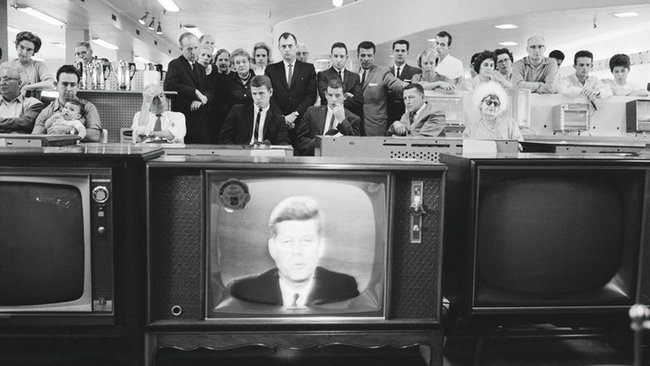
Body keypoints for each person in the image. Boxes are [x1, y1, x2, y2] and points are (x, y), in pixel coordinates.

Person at [228, 196, 360, 307]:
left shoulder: (344, 287)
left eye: (306, 241)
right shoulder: (242, 289)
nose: (296, 251)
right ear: (272, 248)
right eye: (287, 241)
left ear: (320, 247)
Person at [265, 32, 317, 148]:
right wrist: (282, 118)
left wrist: (294, 115)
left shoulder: (308, 69)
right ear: (279, 48)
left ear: (296, 46)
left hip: (301, 122)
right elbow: (269, 96)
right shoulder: (271, 69)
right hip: (277, 122)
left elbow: (310, 96)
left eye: (290, 46)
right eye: (283, 46)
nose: (287, 50)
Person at [164, 32, 214, 144]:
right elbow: (169, 86)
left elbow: (210, 90)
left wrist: (200, 99)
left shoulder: (200, 68)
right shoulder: (175, 65)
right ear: (181, 49)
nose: (194, 52)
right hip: (184, 120)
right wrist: (195, 92)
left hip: (201, 122)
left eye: (196, 48)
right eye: (189, 49)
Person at [32, 65, 101, 141]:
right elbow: (35, 138)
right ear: (56, 85)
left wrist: (70, 130)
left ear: (78, 86)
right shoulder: (46, 112)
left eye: (73, 85)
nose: (68, 89)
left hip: (79, 151)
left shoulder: (88, 108)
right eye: (64, 84)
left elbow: (95, 135)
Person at [218, 75, 290, 146]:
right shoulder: (238, 111)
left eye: (261, 93)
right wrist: (239, 152)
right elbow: (224, 138)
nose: (257, 97)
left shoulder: (279, 119)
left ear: (270, 92)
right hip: (243, 154)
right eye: (254, 94)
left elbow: (283, 141)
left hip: (266, 155)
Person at [297, 79, 361, 156]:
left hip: (341, 159)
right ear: (325, 95)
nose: (333, 99)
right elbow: (300, 139)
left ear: (345, 96)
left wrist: (342, 119)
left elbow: (354, 145)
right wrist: (320, 146)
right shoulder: (312, 112)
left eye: (337, 95)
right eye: (330, 95)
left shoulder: (354, 119)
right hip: (316, 157)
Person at [357, 40, 406, 136]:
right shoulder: (353, 76)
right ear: (358, 56)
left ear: (374, 56)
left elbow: (394, 82)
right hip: (357, 126)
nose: (366, 59)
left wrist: (406, 86)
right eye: (363, 55)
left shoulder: (383, 72)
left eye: (369, 55)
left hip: (376, 125)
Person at [1, 31, 54, 99]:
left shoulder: (38, 66)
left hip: (31, 106)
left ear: (33, 52)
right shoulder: (6, 67)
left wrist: (27, 87)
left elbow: (50, 83)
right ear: (17, 46)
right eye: (22, 47)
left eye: (29, 50)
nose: (24, 52)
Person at [317, 42, 363, 119]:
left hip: (349, 118)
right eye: (335, 56)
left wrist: (334, 99)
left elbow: (359, 101)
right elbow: (325, 99)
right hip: (329, 117)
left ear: (346, 57)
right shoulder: (323, 75)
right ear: (330, 57)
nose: (339, 60)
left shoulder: (355, 77)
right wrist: (347, 97)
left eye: (342, 56)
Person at [0, 65, 43, 133]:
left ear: (19, 83)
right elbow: (20, 124)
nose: (1, 83)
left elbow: (26, 123)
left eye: (7, 79)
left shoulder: (33, 103)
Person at [387, 40, 422, 124]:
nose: (400, 53)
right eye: (397, 50)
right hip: (388, 114)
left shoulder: (416, 72)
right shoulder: (386, 72)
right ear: (393, 52)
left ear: (407, 52)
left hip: (407, 114)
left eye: (403, 51)